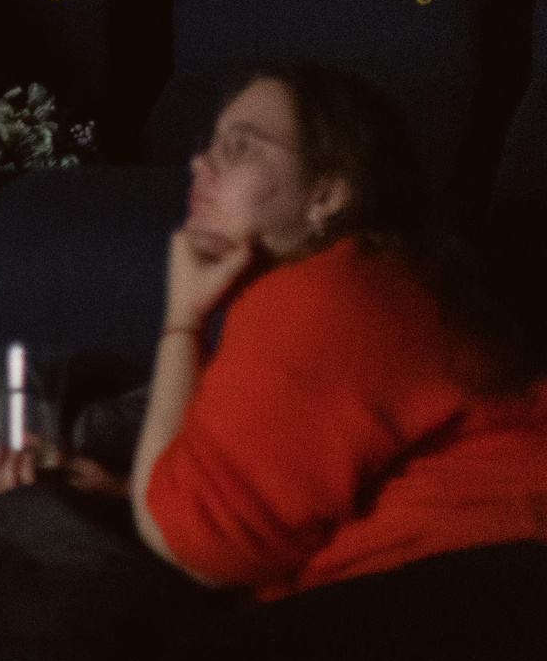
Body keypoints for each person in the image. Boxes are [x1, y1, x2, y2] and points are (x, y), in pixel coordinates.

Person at [126, 64, 547, 601]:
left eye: (240, 147)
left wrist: (182, 320)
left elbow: (194, 541)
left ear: (325, 195)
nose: (200, 163)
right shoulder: (378, 277)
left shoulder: (325, 296)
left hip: (472, 597)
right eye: (209, 143)